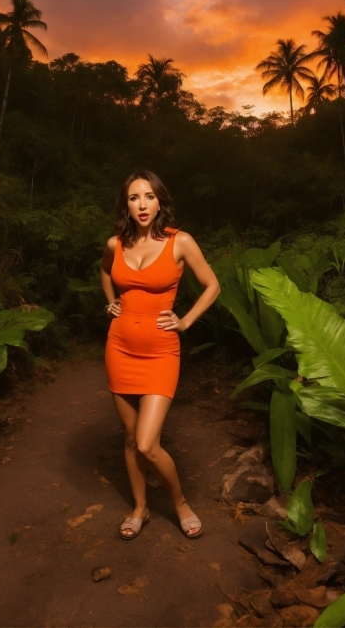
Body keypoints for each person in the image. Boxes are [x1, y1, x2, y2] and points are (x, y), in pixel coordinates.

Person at [100, 169, 220, 540]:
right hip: (119, 347)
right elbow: (105, 274)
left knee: (148, 443)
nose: (142, 204)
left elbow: (212, 284)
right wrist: (111, 303)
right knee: (131, 438)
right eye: (134, 197)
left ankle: (180, 502)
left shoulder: (179, 241)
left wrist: (184, 321)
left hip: (161, 352)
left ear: (160, 201)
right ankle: (139, 508)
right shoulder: (115, 244)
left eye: (149, 196)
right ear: (126, 204)